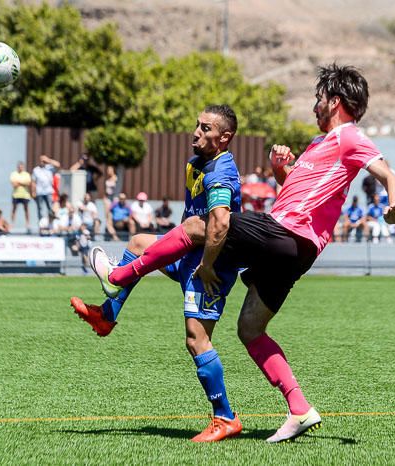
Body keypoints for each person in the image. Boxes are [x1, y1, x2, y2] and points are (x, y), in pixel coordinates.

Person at [89, 65, 395, 443]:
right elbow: (300, 192)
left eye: (318, 100)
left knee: (202, 225)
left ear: (334, 101)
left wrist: (394, 207)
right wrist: (279, 170)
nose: (314, 108)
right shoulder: (320, 144)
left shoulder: (349, 136)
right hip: (293, 248)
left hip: (285, 234)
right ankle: (300, 409)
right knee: (250, 330)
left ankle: (118, 277)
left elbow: (390, 176)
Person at [72, 104, 244, 442]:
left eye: (205, 128)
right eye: (197, 124)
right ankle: (107, 316)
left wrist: (208, 266)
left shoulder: (221, 172)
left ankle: (225, 417)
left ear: (224, 138)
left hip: (209, 266)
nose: (196, 132)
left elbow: (220, 224)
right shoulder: (197, 164)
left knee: (196, 340)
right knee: (137, 243)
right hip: (187, 255)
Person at [31, 154, 61, 222]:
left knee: (50, 208)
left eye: (44, 161)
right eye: (41, 160)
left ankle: (51, 223)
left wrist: (48, 160)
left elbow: (58, 165)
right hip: (39, 192)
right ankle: (41, 224)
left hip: (48, 191)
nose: (42, 162)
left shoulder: (49, 168)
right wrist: (33, 192)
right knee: (40, 208)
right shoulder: (36, 170)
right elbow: (33, 181)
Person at [10, 161, 32, 231]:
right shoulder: (13, 174)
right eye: (19, 166)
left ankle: (27, 223)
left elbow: (28, 183)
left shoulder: (27, 174)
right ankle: (12, 223)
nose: (20, 168)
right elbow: (14, 185)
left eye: (21, 166)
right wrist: (23, 183)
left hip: (25, 195)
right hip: (16, 195)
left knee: (26, 209)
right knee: (14, 209)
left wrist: (18, 182)